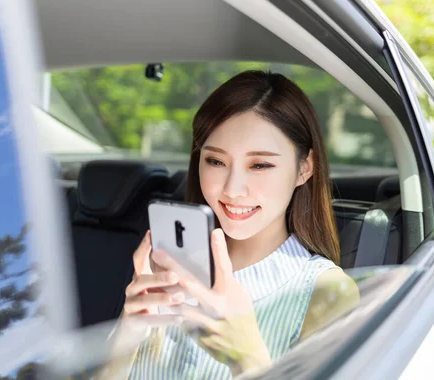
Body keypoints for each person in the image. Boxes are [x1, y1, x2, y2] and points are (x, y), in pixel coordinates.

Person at [106, 70, 359, 379]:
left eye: (260, 165)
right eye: (215, 161)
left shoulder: (325, 291)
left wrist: (249, 358)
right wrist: (128, 333)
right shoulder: (170, 263)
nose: (232, 189)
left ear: (304, 168)